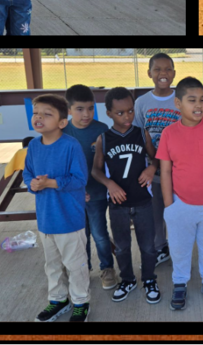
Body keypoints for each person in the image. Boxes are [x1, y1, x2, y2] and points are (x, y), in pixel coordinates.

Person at [156, 77, 203, 311]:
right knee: (179, 247)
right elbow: (166, 170)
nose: (198, 105)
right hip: (180, 204)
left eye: (202, 99)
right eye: (192, 100)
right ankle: (180, 283)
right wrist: (170, 205)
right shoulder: (169, 133)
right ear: (178, 104)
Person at [24, 94, 91, 323]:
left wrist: (51, 183)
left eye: (47, 114)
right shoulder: (33, 145)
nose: (39, 117)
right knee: (51, 265)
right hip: (45, 220)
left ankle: (81, 302)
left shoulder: (71, 145)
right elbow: (27, 173)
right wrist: (32, 184)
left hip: (70, 220)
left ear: (62, 122)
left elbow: (80, 179)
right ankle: (58, 300)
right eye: (36, 113)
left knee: (76, 266)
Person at [91, 87, 161, 306]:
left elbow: (157, 157)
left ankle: (149, 279)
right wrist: (109, 183)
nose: (127, 116)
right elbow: (96, 170)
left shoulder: (142, 133)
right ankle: (128, 279)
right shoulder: (103, 138)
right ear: (109, 113)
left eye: (130, 111)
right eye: (120, 113)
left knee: (148, 246)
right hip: (118, 204)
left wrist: (151, 169)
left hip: (143, 201)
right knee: (121, 246)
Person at [62, 84, 115, 291]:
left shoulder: (102, 130)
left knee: (100, 233)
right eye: (80, 109)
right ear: (68, 110)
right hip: (72, 195)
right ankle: (83, 269)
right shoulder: (62, 131)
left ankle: (107, 268)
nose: (86, 114)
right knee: (79, 235)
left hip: (97, 194)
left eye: (91, 108)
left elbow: (110, 163)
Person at [131, 53, 180, 268]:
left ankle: (179, 247)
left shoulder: (181, 98)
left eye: (168, 69)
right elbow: (138, 134)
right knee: (155, 211)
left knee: (178, 211)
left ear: (174, 73)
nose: (163, 74)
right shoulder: (142, 102)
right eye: (158, 69)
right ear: (149, 73)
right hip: (152, 168)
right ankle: (161, 247)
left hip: (178, 168)